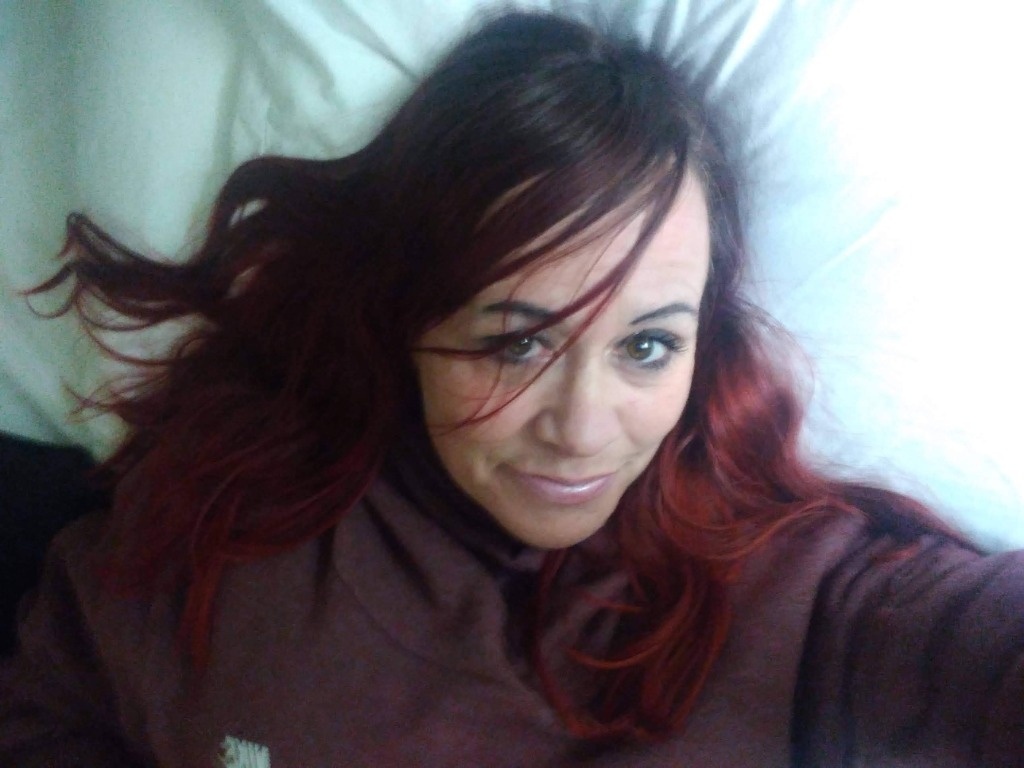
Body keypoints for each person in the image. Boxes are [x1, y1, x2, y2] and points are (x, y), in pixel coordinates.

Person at [2, 10, 1022, 767]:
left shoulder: (809, 595)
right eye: (518, 343)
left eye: (647, 347)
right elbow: (50, 718)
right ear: (409, 316)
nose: (582, 430)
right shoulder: (224, 538)